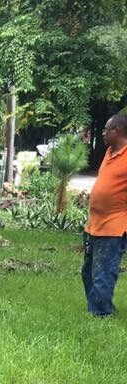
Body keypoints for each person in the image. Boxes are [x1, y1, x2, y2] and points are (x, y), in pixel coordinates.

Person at [82, 114, 127, 316]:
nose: (102, 133)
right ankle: (99, 307)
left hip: (114, 226)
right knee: (87, 272)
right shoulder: (109, 152)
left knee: (103, 273)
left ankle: (100, 315)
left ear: (116, 131)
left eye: (105, 129)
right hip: (94, 224)